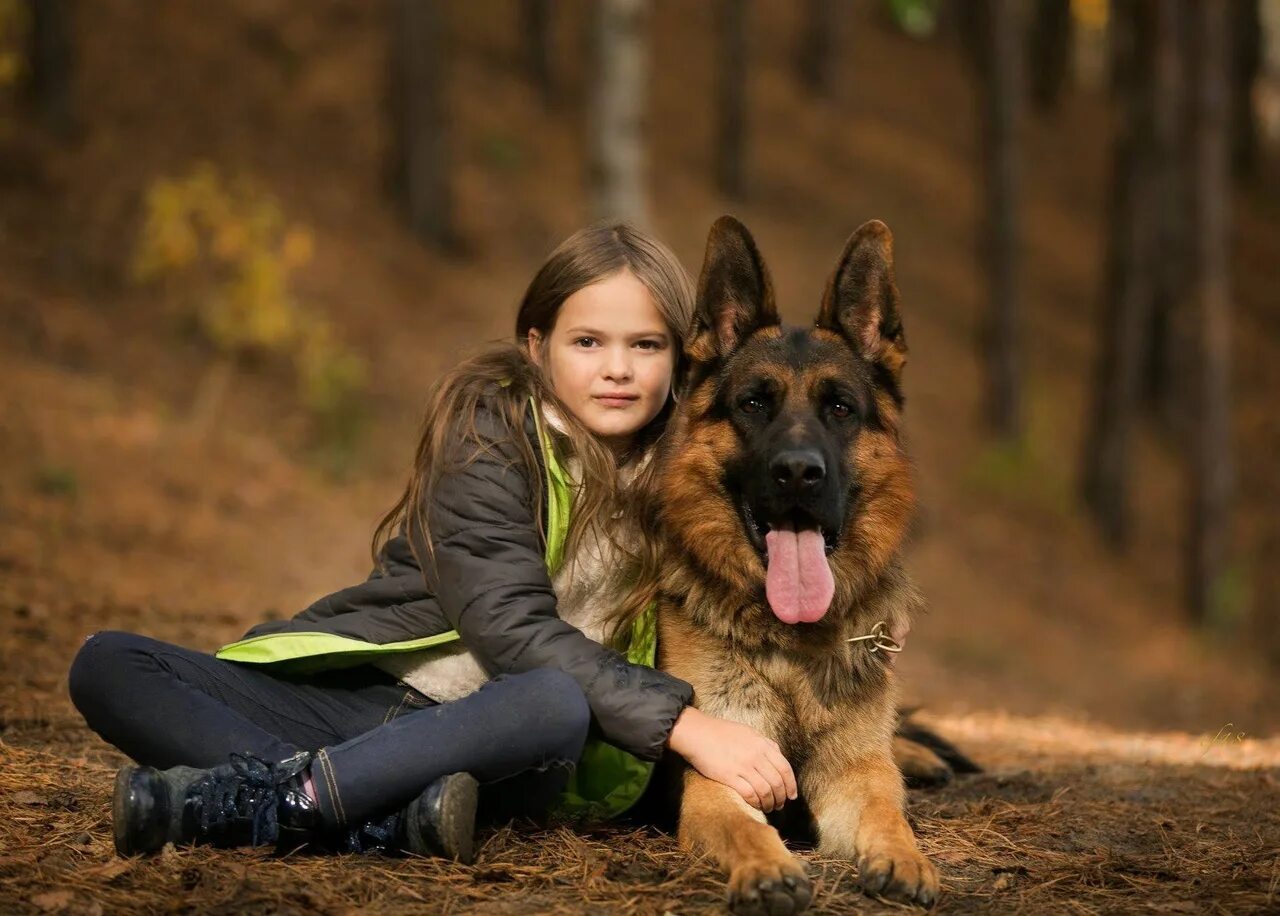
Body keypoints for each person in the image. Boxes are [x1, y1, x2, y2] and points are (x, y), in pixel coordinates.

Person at [67, 223, 798, 863]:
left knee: (551, 700)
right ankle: (353, 814)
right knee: (110, 664)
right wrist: (686, 724)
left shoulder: (690, 470)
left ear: (682, 357)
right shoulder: (490, 434)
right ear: (536, 346)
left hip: (510, 743)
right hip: (373, 704)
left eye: (645, 345)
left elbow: (759, 564)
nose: (616, 368)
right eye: (587, 342)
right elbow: (509, 626)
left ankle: (294, 804)